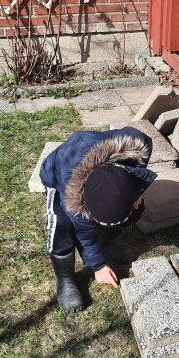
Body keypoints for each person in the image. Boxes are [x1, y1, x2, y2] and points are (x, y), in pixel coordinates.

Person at [39, 126, 156, 313]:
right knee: (62, 229)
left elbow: (145, 146)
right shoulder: (74, 198)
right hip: (58, 174)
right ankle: (65, 279)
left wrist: (137, 192)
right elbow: (85, 234)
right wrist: (98, 266)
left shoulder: (136, 144)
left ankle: (106, 243)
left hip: (100, 158)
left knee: (128, 214)